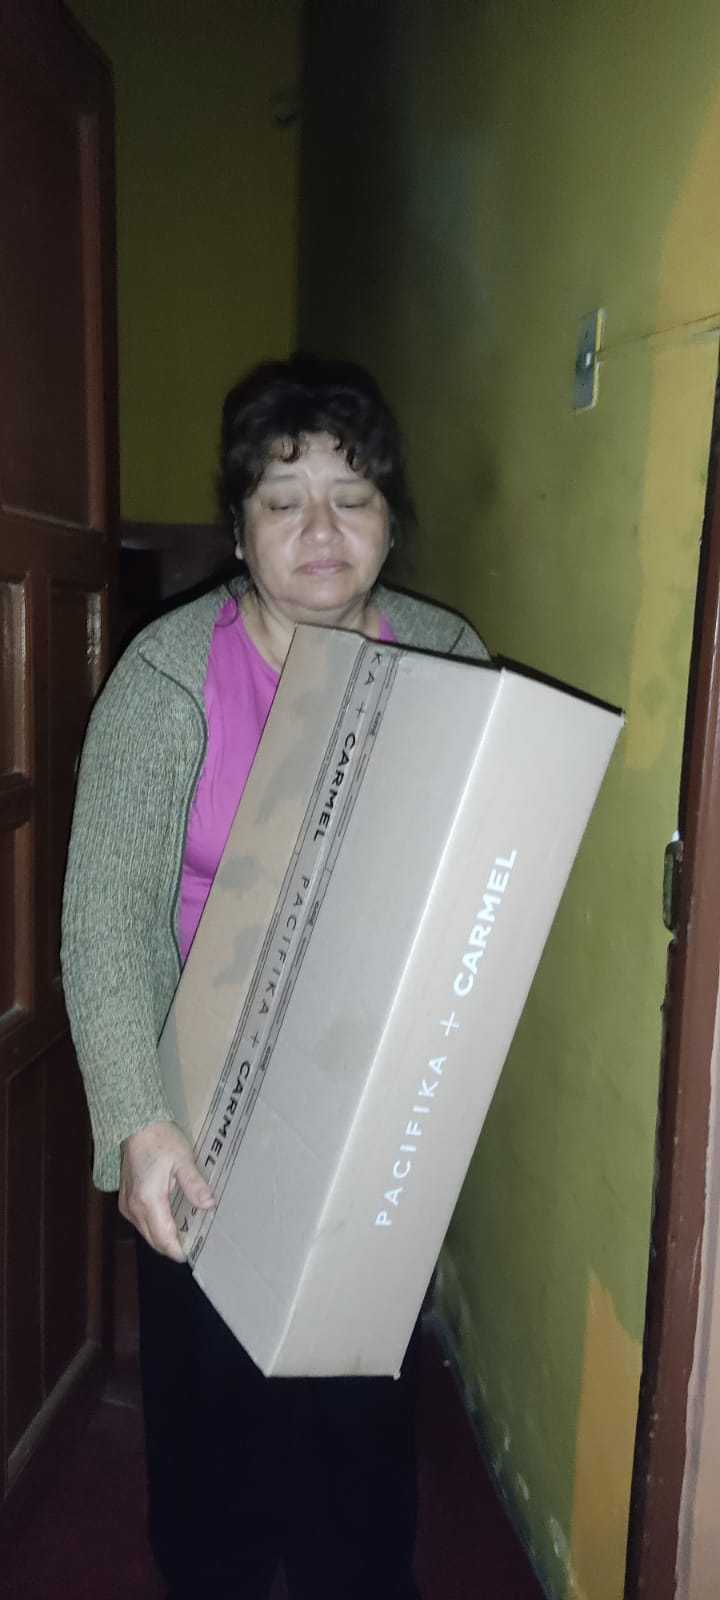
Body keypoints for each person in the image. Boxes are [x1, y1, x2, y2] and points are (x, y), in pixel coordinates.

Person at [61, 354, 489, 1600]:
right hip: (206, 1103)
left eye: (352, 497)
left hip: (366, 1104)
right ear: (238, 528)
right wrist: (140, 1122)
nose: (320, 529)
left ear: (390, 521)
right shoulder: (167, 679)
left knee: (359, 1414)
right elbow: (104, 921)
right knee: (214, 1422)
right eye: (283, 498)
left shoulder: (450, 657)